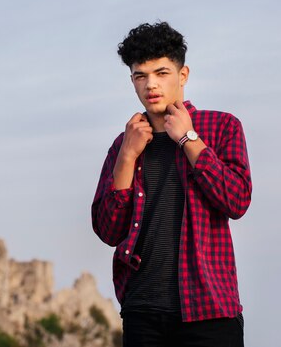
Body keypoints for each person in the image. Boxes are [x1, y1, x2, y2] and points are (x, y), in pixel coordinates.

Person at [91, 21, 252, 346]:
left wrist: (189, 140)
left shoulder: (221, 127)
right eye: (140, 75)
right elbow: (108, 231)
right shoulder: (124, 143)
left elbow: (237, 201)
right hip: (142, 311)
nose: (151, 84)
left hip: (209, 310)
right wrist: (126, 157)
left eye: (161, 73)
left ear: (183, 75)